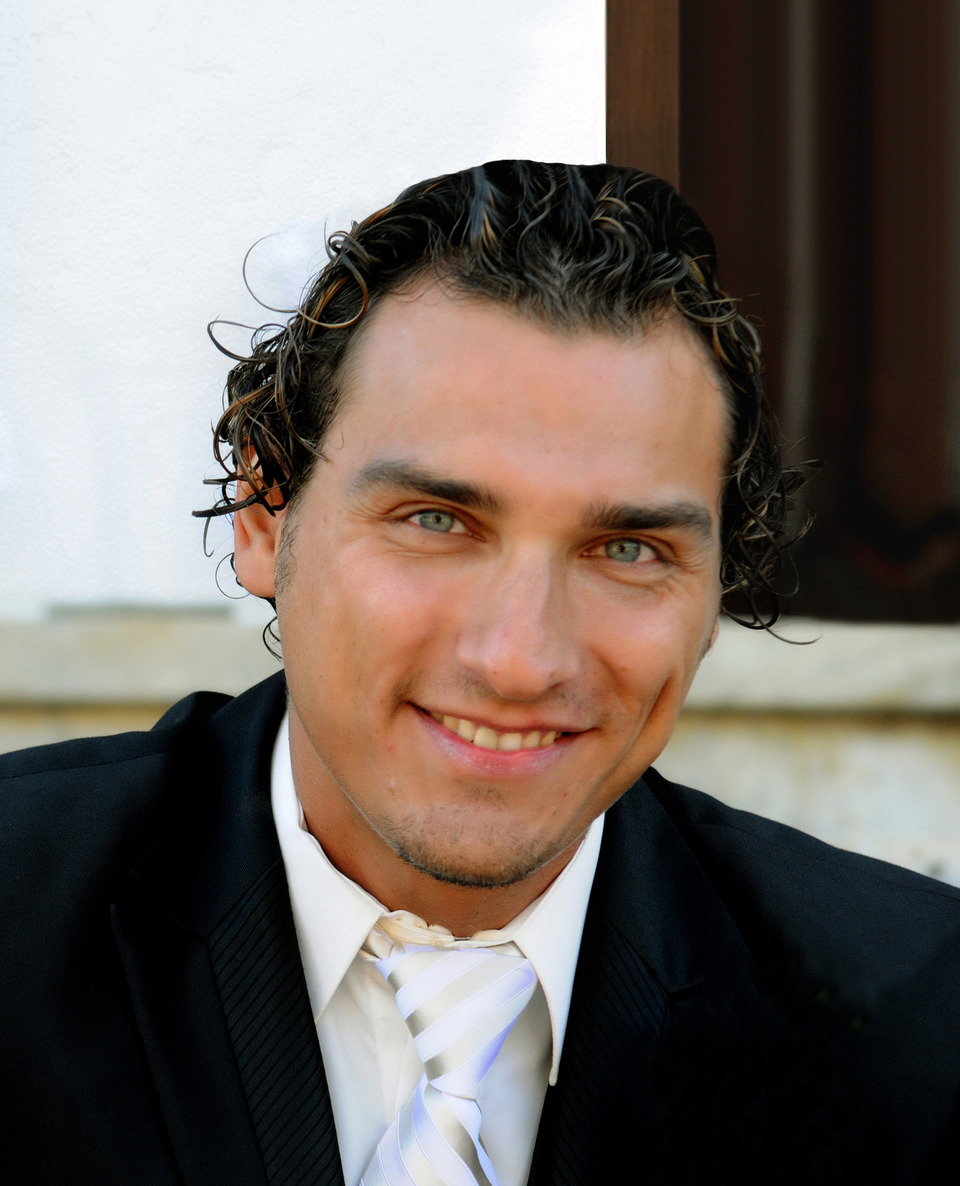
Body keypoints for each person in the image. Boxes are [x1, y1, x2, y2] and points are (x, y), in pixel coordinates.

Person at [2, 161, 959, 1185]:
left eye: (627, 548)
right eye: (436, 521)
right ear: (264, 518)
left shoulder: (920, 1023)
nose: (518, 660)